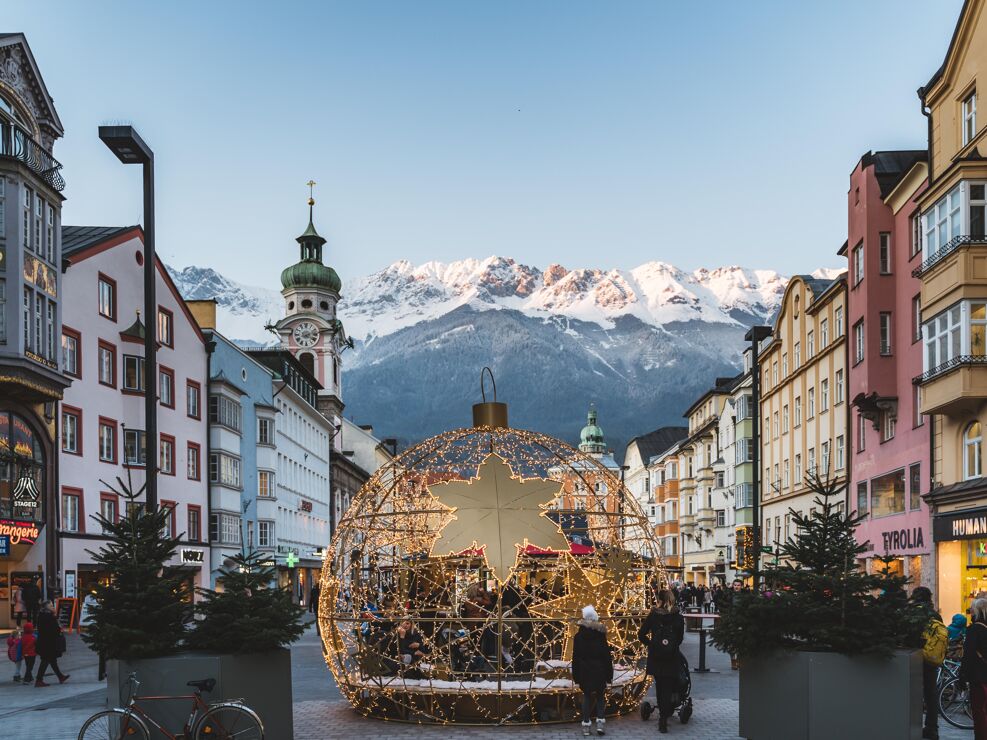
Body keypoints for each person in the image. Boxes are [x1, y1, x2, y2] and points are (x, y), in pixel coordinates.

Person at [638, 589, 685, 734]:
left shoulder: (654, 615)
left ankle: (662, 717)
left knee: (660, 686)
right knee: (669, 686)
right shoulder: (678, 617)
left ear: (659, 600)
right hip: (671, 657)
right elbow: (680, 639)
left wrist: (652, 644)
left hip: (657, 657)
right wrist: (670, 646)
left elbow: (641, 634)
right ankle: (665, 716)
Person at [572, 605, 612, 737]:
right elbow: (606, 655)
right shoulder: (600, 635)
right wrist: (609, 675)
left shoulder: (578, 636)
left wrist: (576, 676)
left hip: (584, 670)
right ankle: (600, 724)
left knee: (587, 697)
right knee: (600, 696)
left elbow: (575, 657)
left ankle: (586, 726)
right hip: (599, 669)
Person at [912, 586, 945, 740]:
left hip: (915, 657)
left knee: (913, 693)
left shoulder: (912, 612)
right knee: (931, 694)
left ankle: (913, 726)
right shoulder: (935, 615)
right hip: (931, 659)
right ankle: (932, 728)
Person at [962, 598, 987, 740]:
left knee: (979, 711)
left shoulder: (974, 629)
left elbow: (969, 655)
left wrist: (962, 676)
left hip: (979, 676)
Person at [33, 601, 69, 687]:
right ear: (46, 608)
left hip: (47, 642)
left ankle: (60, 677)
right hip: (47, 643)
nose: (53, 607)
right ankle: (39, 680)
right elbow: (51, 629)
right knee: (45, 660)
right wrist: (58, 630)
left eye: (53, 605)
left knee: (52, 660)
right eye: (51, 606)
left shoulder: (46, 616)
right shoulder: (47, 617)